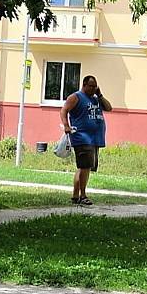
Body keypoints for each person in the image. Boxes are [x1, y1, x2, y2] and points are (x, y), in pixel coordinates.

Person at [59, 75, 112, 206]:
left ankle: (75, 195)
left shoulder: (95, 99)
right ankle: (83, 195)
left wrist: (99, 95)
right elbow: (64, 110)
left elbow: (109, 108)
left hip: (95, 139)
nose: (94, 89)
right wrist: (66, 125)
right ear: (84, 85)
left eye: (95, 86)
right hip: (82, 136)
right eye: (91, 86)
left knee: (83, 168)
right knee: (85, 167)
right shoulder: (76, 97)